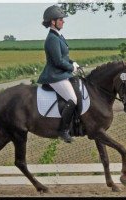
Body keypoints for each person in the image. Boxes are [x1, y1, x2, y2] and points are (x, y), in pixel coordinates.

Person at [37, 5, 80, 143]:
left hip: (62, 74)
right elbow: (57, 61)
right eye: (61, 19)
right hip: (55, 76)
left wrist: (73, 63)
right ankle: (63, 130)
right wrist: (70, 68)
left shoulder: (58, 36)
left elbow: (64, 57)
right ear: (52, 21)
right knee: (72, 99)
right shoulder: (52, 39)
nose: (63, 21)